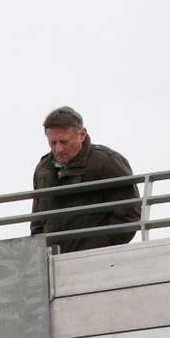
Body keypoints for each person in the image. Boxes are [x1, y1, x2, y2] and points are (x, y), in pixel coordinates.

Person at [29, 107, 139, 254]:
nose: (59, 149)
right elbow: (38, 222)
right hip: (54, 260)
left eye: (64, 142)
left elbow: (129, 215)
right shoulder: (43, 169)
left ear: (82, 135)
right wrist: (40, 254)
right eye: (53, 143)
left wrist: (99, 249)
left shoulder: (106, 162)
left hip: (97, 258)